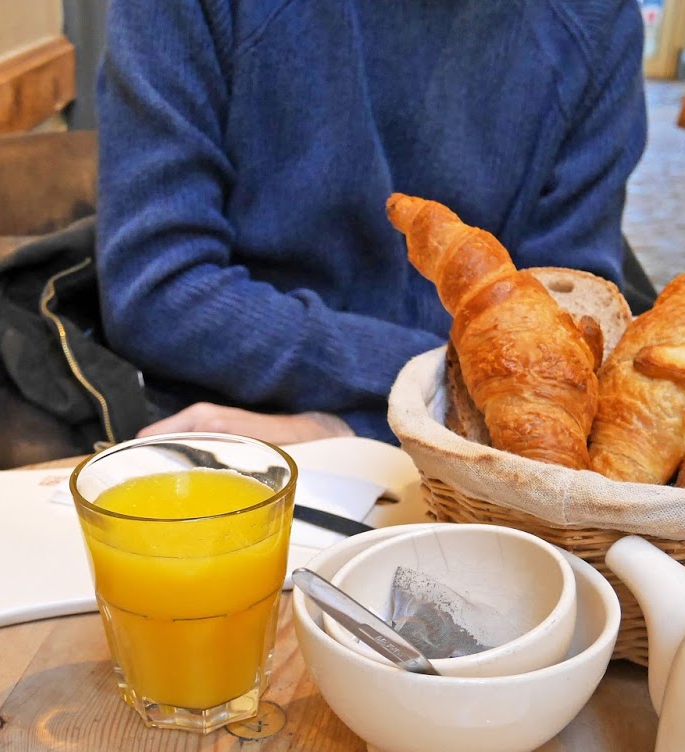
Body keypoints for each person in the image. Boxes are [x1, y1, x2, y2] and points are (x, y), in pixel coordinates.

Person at [94, 0, 649, 446]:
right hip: (232, 420)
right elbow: (159, 290)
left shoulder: (598, 20)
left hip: (488, 452)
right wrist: (412, 388)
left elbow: (567, 357)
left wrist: (355, 425)